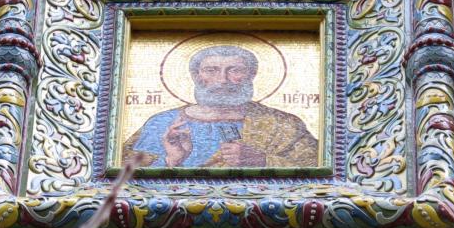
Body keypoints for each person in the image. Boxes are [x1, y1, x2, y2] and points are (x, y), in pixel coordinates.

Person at [123, 45, 318, 168]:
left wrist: (262, 161)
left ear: (251, 75)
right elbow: (122, 181)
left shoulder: (282, 124)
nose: (223, 80)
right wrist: (171, 161)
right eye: (211, 70)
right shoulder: (161, 123)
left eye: (235, 70)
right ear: (196, 76)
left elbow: (318, 172)